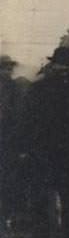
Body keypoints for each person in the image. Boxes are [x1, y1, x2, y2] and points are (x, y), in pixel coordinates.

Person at [17, 47, 69, 237]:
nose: (63, 69)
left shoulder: (66, 88)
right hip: (50, 148)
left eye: (65, 66)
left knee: (59, 193)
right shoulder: (49, 89)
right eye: (62, 65)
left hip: (55, 149)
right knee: (52, 192)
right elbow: (28, 119)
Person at [0, 55, 23, 226]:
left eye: (9, 68)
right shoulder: (12, 87)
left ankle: (7, 209)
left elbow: (17, 113)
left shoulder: (14, 87)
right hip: (7, 135)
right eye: (5, 68)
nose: (8, 72)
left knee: (8, 173)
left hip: (8, 135)